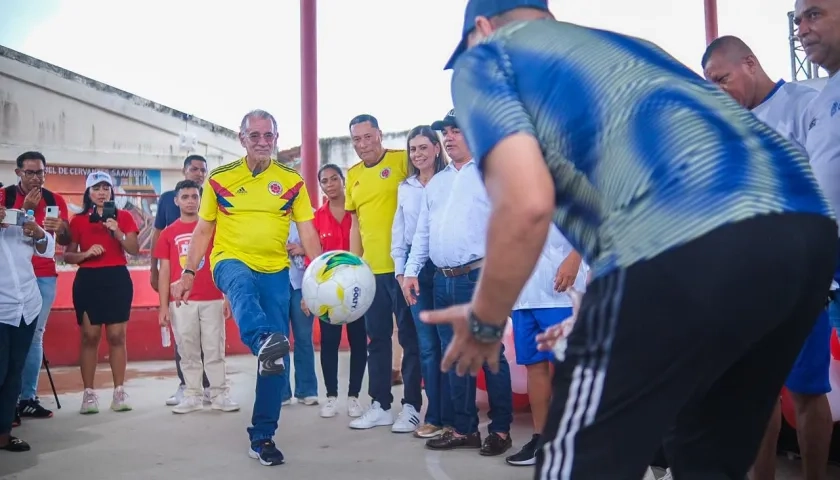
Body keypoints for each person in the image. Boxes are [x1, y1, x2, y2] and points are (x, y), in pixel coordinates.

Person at [424, 1, 837, 479]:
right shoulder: (633, 52)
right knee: (705, 452)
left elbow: (526, 205)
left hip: (690, 239)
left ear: (482, 28)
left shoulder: (489, 57)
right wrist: (598, 307)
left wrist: (486, 322)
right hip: (805, 235)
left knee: (575, 462)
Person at [702, 35, 832, 480]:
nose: (718, 90)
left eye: (722, 78)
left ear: (750, 63)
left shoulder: (803, 104)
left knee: (807, 391)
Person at [170, 109, 322, 467]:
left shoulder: (291, 180)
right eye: (254, 135)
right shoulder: (221, 179)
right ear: (241, 139)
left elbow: (309, 231)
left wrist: (319, 276)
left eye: (268, 135)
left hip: (275, 270)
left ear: (276, 138)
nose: (262, 142)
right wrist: (189, 271)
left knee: (275, 360)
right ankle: (261, 339)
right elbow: (204, 230)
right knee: (242, 291)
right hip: (230, 259)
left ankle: (263, 436)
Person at [403, 110, 514, 456]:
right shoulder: (437, 182)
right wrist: (410, 271)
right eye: (446, 133)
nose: (450, 138)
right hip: (442, 280)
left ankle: (500, 430)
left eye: (457, 131)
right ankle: (464, 429)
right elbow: (423, 232)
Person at [345, 114, 422, 433]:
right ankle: (380, 405)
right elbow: (355, 224)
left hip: (404, 270)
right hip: (371, 272)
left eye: (368, 137)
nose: (363, 144)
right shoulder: (352, 176)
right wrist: (353, 264)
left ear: (380, 135)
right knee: (376, 339)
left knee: (410, 338)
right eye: (356, 139)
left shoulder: (403, 160)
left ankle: (413, 407)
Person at [153, 179, 239, 414]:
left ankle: (220, 393)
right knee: (187, 350)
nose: (190, 201)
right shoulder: (168, 233)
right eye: (185, 197)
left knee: (214, 349)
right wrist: (163, 307)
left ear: (201, 200)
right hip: (181, 302)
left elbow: (223, 263)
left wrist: (227, 296)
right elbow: (165, 272)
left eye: (194, 196)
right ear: (176, 200)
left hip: (212, 298)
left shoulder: (212, 228)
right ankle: (192, 394)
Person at [505, 226, 587, 467]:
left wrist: (575, 257)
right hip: (524, 295)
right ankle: (542, 439)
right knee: (534, 366)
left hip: (560, 294)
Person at [390, 125, 450, 438]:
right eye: (413, 149)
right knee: (426, 345)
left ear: (437, 149)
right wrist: (401, 273)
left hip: (443, 265)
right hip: (414, 269)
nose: (418, 154)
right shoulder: (406, 187)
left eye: (424, 147)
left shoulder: (450, 181)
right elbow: (399, 233)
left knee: (447, 341)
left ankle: (454, 416)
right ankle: (434, 415)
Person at [64, 171, 140, 414]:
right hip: (88, 280)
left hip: (117, 277)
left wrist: (117, 232)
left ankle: (119, 392)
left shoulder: (124, 216)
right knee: (90, 336)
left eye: (106, 187)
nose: (102, 192)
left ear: (111, 191)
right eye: (96, 188)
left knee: (117, 336)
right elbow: (68, 255)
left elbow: (134, 249)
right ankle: (89, 394)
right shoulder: (77, 220)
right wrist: (85, 255)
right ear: (88, 192)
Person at [2, 152, 71, 423]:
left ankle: (27, 398)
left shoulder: (55, 200)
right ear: (18, 173)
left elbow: (65, 239)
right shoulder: (4, 196)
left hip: (43, 277)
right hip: (9, 278)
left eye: (40, 172)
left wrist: (60, 227)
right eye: (29, 172)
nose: (35, 178)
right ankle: (9, 402)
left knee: (33, 335)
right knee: (7, 341)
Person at [307, 164, 367, 419]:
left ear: (343, 181)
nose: (330, 184)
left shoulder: (358, 213)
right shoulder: (317, 218)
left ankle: (354, 397)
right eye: (324, 181)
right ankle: (331, 397)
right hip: (328, 294)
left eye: (334, 179)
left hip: (359, 290)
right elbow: (313, 260)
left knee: (358, 343)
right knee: (329, 344)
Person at [150, 154, 210, 407]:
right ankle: (186, 384)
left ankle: (209, 387)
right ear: (184, 171)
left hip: (207, 281)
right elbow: (157, 233)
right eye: (194, 169)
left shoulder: (211, 199)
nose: (198, 173)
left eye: (202, 170)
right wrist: (153, 268)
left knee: (209, 338)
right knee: (183, 338)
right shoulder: (167, 199)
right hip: (176, 281)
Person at [0, 199, 55, 453]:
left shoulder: (17, 218)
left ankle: (3, 434)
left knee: (14, 372)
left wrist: (39, 232)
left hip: (26, 307)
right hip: (1, 310)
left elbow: (46, 250)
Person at [282, 222, 318, 406]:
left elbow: (323, 249)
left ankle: (307, 390)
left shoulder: (310, 216)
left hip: (303, 284)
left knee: (304, 337)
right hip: (276, 284)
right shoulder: (269, 212)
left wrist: (304, 250)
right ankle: (281, 393)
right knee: (278, 339)